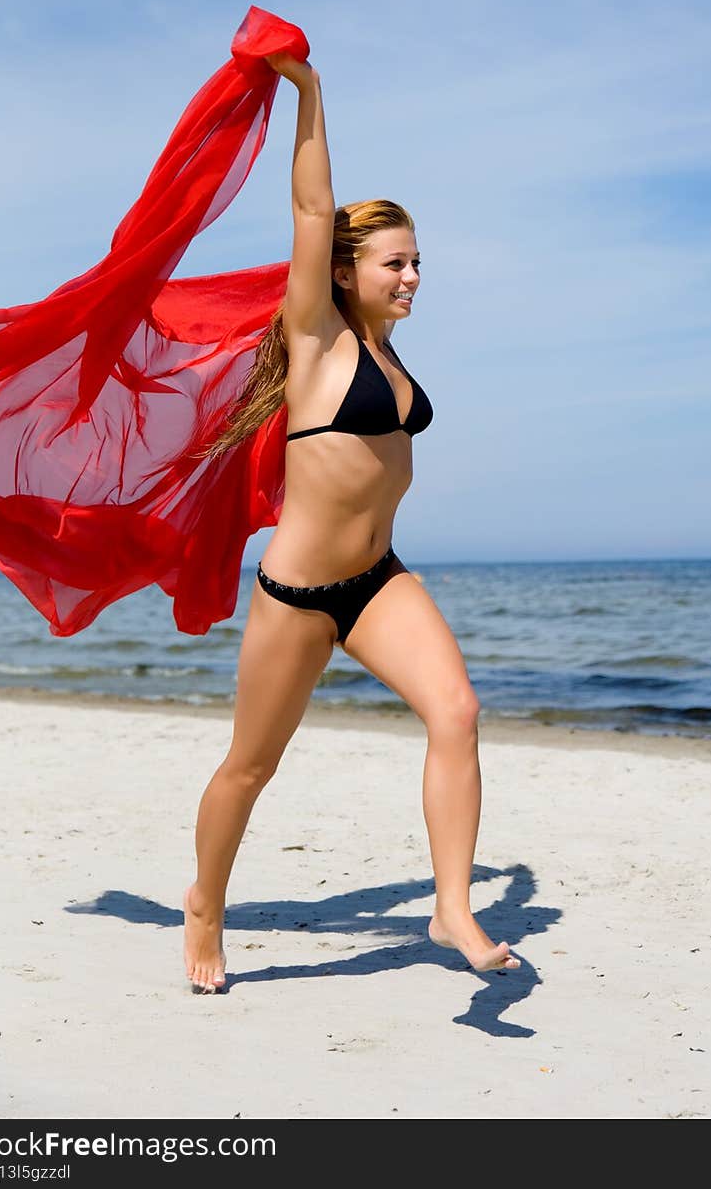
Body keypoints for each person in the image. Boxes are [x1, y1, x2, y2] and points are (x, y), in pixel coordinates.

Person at [182, 53, 521, 992]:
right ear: (344, 271)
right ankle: (204, 906)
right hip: (300, 592)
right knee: (251, 769)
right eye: (396, 262)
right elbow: (307, 207)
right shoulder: (316, 338)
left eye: (418, 261)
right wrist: (308, 92)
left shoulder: (391, 356)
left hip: (380, 578)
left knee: (456, 711)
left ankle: (451, 905)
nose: (414, 275)